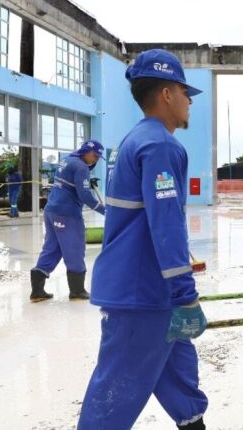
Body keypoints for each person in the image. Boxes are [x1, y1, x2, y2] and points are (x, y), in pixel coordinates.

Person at [78, 49, 208, 430]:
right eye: (186, 93)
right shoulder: (160, 145)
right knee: (115, 393)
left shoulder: (136, 139)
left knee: (179, 378)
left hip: (147, 290)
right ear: (167, 93)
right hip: (143, 294)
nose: (189, 102)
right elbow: (165, 224)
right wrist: (184, 292)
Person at [29, 140, 105, 302]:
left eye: (99, 157)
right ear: (86, 150)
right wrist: (106, 211)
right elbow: (85, 197)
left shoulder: (67, 160)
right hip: (67, 214)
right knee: (75, 248)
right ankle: (77, 291)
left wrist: (86, 180)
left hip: (51, 211)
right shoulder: (81, 167)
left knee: (52, 248)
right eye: (95, 155)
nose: (96, 159)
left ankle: (37, 291)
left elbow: (70, 181)